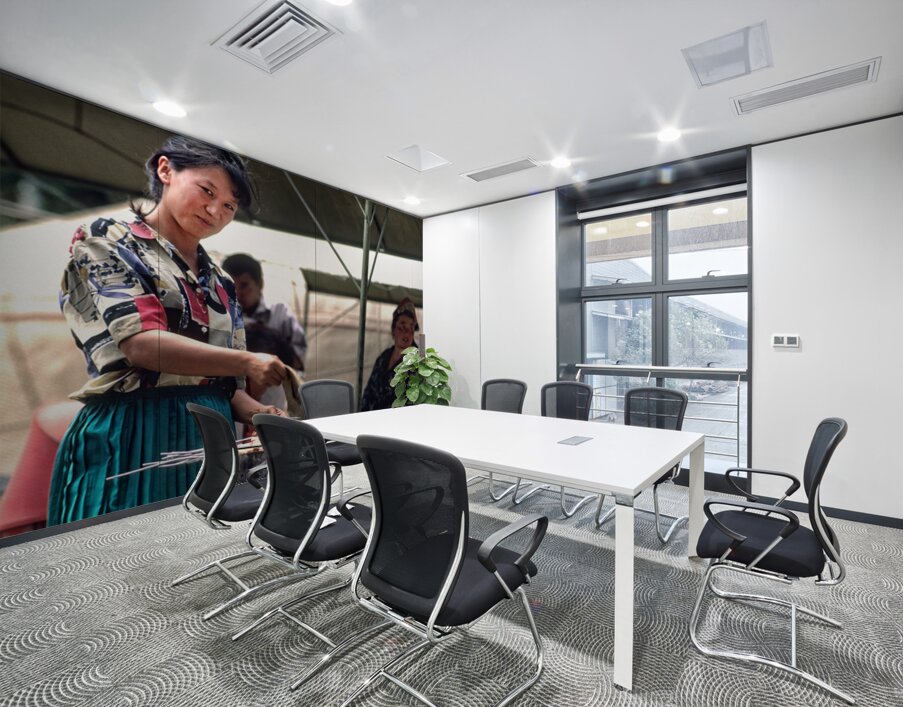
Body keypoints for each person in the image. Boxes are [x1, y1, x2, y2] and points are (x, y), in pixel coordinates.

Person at [48, 136, 288, 526]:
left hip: (210, 436)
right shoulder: (109, 240)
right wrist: (247, 359)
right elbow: (142, 345)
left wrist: (261, 413)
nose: (215, 210)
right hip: (134, 429)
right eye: (206, 191)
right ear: (165, 171)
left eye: (229, 206)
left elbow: (228, 388)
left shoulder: (221, 280)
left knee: (191, 560)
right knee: (120, 558)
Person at [221, 252, 307, 408]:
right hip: (233, 402)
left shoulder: (280, 313)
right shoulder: (222, 315)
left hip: (274, 401)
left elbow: (297, 361)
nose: (237, 293)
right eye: (231, 286)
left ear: (259, 284)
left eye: (244, 285)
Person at [360, 299, 419, 411]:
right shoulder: (383, 358)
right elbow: (368, 394)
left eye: (411, 328)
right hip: (372, 420)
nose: (406, 332)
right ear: (393, 330)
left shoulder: (416, 362)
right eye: (402, 326)